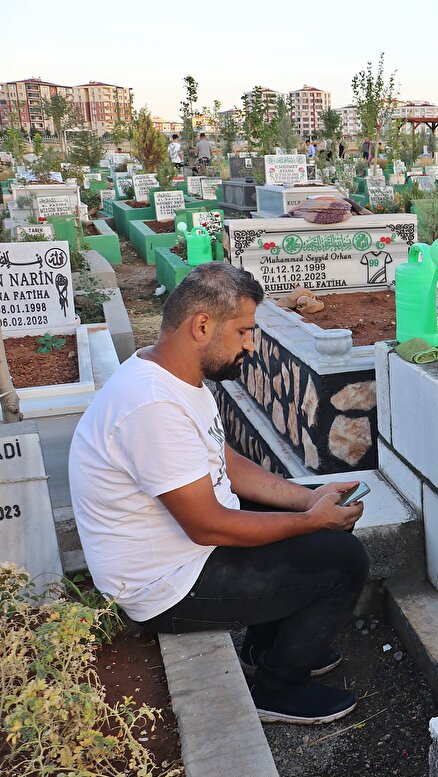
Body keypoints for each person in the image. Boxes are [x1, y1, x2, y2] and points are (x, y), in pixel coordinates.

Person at [69, 263, 368, 725]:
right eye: (244, 331)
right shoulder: (151, 405)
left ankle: (266, 647)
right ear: (202, 325)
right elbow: (207, 524)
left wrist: (306, 499)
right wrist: (311, 523)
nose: (251, 344)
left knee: (277, 511)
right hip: (165, 587)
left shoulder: (171, 372)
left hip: (184, 555)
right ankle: (277, 688)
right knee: (343, 559)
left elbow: (223, 460)